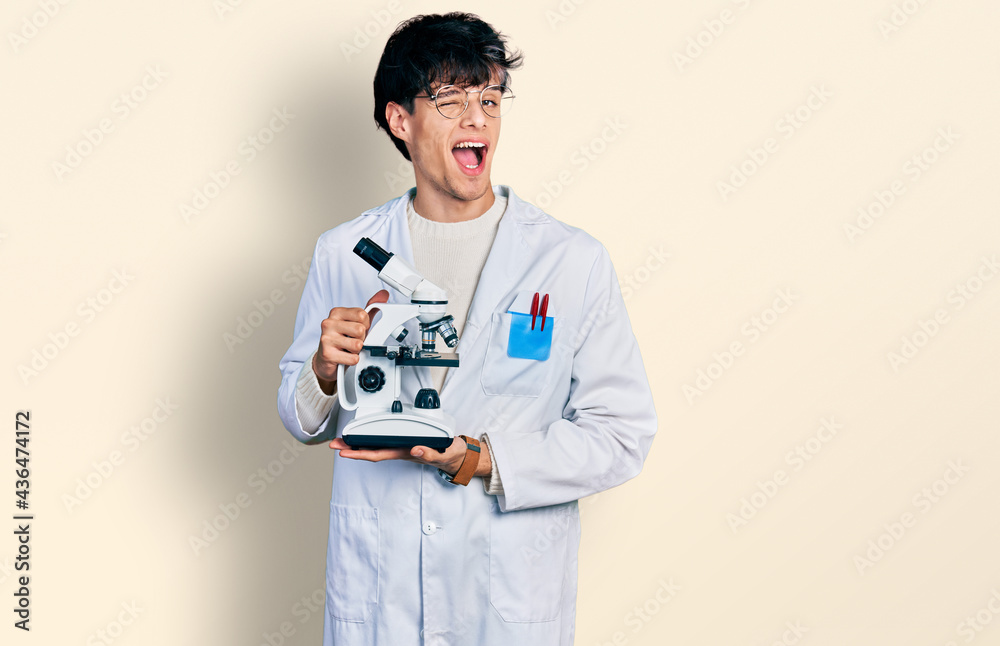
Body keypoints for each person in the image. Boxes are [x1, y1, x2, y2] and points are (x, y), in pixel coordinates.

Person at [277, 12, 657, 646]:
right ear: (401, 120)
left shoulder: (568, 260)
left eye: (489, 100)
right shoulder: (345, 252)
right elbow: (300, 418)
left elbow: (621, 435)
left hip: (506, 599)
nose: (477, 119)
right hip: (382, 594)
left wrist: (481, 460)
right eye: (450, 102)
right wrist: (322, 367)